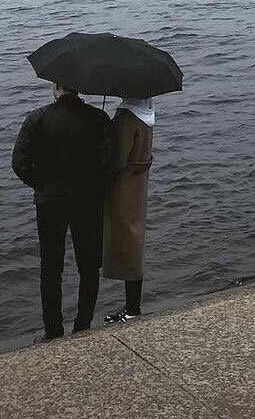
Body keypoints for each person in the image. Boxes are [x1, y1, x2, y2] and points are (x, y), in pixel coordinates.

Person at [12, 84, 117, 341]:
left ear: (56, 87)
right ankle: (82, 325)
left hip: (50, 201)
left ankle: (53, 330)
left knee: (50, 267)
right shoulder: (98, 117)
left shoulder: (37, 118)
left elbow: (20, 163)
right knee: (88, 266)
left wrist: (41, 183)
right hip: (88, 201)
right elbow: (110, 163)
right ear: (79, 88)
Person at [102, 97, 155, 323]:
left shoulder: (127, 118)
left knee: (127, 244)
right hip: (138, 186)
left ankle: (132, 309)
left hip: (124, 189)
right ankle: (133, 305)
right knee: (134, 240)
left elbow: (117, 159)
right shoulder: (146, 114)